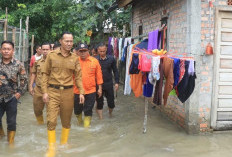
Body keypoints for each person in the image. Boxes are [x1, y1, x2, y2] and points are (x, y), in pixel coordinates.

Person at [41, 32, 84, 157]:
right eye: (67, 41)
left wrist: (81, 92)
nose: (69, 43)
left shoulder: (75, 58)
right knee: (51, 120)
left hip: (68, 92)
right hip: (52, 91)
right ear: (61, 41)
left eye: (71, 41)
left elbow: (78, 77)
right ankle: (52, 148)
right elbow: (45, 74)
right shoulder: (51, 55)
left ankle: (64, 143)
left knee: (66, 120)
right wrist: (44, 92)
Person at [0, 41, 27, 146]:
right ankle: (1, 135)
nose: (6, 51)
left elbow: (24, 79)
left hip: (12, 98)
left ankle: (10, 144)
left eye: (8, 49)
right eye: (4, 49)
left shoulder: (18, 64)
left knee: (11, 122)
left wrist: (19, 93)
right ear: (0, 50)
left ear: (13, 51)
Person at [73, 43, 103, 128]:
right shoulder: (74, 61)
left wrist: (100, 88)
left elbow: (99, 76)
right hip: (77, 91)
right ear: (78, 52)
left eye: (84, 51)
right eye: (81, 51)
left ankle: (86, 128)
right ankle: (79, 122)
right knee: (77, 110)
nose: (83, 53)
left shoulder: (94, 61)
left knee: (88, 110)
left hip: (91, 91)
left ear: (88, 51)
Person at [95, 43, 119, 119]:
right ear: (98, 51)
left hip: (108, 83)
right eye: (100, 51)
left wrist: (117, 82)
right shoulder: (94, 60)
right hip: (98, 85)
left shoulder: (111, 59)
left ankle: (110, 114)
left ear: (106, 50)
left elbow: (115, 71)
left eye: (104, 51)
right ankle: (101, 118)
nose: (102, 53)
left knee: (111, 102)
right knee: (99, 102)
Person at [29, 42, 51, 125]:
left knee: (51, 110)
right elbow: (33, 74)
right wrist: (31, 86)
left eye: (47, 49)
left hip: (51, 89)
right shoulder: (37, 62)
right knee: (37, 109)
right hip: (38, 88)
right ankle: (40, 124)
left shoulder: (54, 62)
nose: (45, 51)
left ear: (50, 50)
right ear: (41, 50)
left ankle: (50, 127)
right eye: (43, 49)